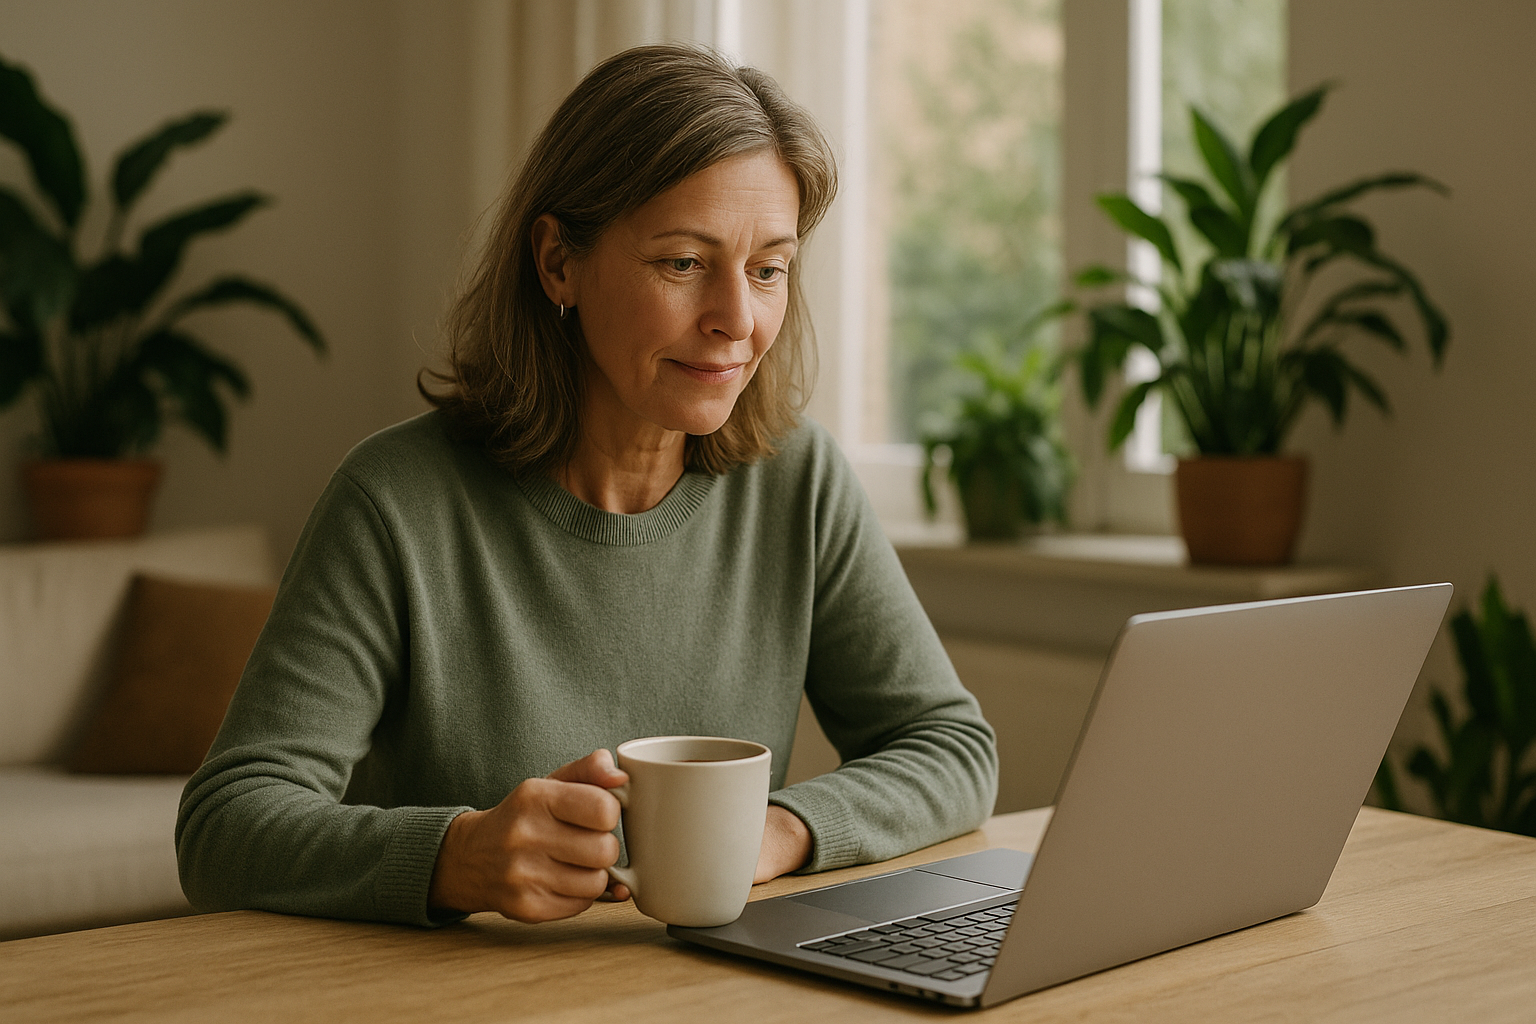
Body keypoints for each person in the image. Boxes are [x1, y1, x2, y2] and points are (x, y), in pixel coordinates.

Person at [176, 43, 997, 928]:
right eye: (684, 263)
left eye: (769, 269)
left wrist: (784, 828)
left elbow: (952, 750)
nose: (737, 319)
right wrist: (460, 858)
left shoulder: (799, 484)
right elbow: (226, 824)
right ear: (559, 262)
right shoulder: (396, 501)